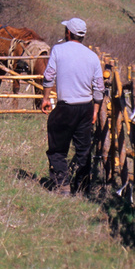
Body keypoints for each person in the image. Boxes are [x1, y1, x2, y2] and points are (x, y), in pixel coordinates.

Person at [42, 16, 104, 195]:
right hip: (85, 107)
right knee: (84, 150)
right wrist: (95, 110)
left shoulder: (58, 50)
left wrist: (46, 98)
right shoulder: (92, 57)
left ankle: (62, 185)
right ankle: (83, 187)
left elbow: (48, 77)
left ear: (68, 32)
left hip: (65, 107)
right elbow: (99, 87)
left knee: (57, 149)